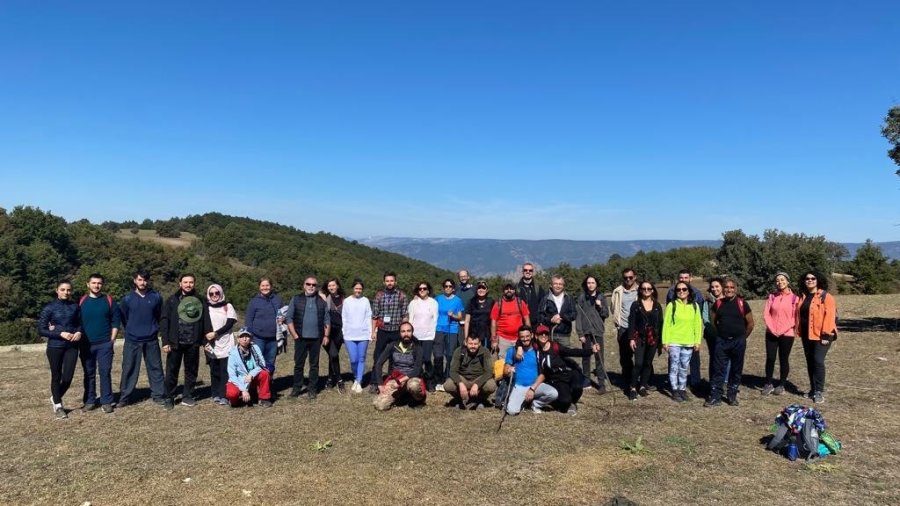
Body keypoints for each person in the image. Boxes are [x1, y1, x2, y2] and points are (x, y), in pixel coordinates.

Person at [160, 274, 213, 409]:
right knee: (172, 371)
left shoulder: (200, 300)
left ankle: (187, 396)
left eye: (191, 282)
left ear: (194, 284)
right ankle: (169, 398)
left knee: (191, 371)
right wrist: (165, 341)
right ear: (180, 283)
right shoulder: (172, 300)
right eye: (185, 282)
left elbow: (206, 320)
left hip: (193, 342)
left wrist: (205, 340)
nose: (188, 285)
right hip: (175, 342)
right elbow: (165, 321)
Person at [117, 269, 166, 408]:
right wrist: (132, 329)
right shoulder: (127, 299)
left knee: (155, 368)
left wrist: (154, 329)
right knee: (129, 368)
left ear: (148, 281)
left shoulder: (156, 297)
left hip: (151, 339)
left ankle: (158, 395)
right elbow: (124, 317)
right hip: (132, 340)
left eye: (144, 280)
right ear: (135, 281)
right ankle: (125, 397)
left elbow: (159, 315)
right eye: (139, 280)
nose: (142, 282)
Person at [705, 280, 753, 407]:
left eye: (732, 287)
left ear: (735, 289)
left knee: (736, 369)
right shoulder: (718, 303)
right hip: (722, 341)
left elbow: (750, 324)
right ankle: (716, 396)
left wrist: (742, 337)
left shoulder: (742, 304)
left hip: (738, 341)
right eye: (726, 287)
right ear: (723, 289)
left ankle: (732, 395)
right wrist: (721, 334)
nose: (729, 289)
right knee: (718, 369)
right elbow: (713, 321)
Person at [39, 281, 82, 419]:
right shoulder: (49, 308)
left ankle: (55, 397)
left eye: (68, 290)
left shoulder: (75, 307)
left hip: (72, 347)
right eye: (62, 289)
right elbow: (41, 330)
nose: (66, 292)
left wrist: (79, 332)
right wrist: (60, 334)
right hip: (55, 347)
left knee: (68, 378)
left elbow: (80, 324)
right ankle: (58, 405)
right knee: (56, 376)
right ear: (56, 290)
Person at [533, 324, 599, 415]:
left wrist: (591, 351)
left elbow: (572, 352)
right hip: (556, 379)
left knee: (577, 387)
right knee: (564, 402)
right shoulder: (536, 349)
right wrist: (519, 348)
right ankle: (565, 402)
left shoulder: (555, 346)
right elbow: (522, 341)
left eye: (546, 334)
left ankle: (572, 402)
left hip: (568, 373)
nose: (544, 336)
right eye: (541, 334)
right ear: (536, 336)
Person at [77, 273, 120, 414]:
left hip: (105, 344)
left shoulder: (109, 300)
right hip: (86, 345)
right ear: (87, 284)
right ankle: (90, 401)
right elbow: (72, 319)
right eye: (94, 283)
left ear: (102, 285)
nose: (96, 285)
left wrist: (111, 340)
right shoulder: (81, 301)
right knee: (89, 373)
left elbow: (116, 321)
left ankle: (106, 401)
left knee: (105, 372)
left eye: (99, 283)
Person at [796, 270, 837, 404]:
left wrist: (825, 335)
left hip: (822, 335)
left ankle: (819, 391)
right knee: (810, 361)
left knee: (818, 361)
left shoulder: (826, 297)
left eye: (813, 278)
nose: (810, 280)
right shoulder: (802, 296)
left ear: (818, 280)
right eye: (807, 278)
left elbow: (830, 317)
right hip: (806, 334)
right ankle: (813, 389)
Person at [287, 276, 331, 400]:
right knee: (298, 365)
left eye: (314, 285)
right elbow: (289, 318)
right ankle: (296, 388)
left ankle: (312, 389)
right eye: (308, 284)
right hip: (300, 338)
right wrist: (295, 335)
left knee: (314, 365)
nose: (311, 286)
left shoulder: (321, 302)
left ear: (316, 287)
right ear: (304, 285)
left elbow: (327, 320)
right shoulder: (296, 299)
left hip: (316, 338)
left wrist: (326, 335)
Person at [665, 269, 706, 391]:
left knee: (694, 359)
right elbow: (669, 314)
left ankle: (695, 381)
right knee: (674, 361)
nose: (683, 280)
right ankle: (673, 384)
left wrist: (696, 337)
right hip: (675, 336)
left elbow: (698, 316)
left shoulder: (697, 293)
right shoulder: (671, 292)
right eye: (681, 278)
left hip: (690, 335)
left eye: (686, 277)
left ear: (691, 278)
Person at [369, 271, 409, 393]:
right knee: (378, 357)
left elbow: (405, 315)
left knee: (395, 357)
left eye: (392, 281)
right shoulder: (379, 295)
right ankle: (375, 382)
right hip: (382, 331)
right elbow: (375, 316)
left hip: (396, 331)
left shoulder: (402, 296)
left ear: (395, 282)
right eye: (387, 281)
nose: (389, 283)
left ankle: (391, 381)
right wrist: (373, 331)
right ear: (384, 282)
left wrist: (404, 331)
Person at [503, 326, 556, 415]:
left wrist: (532, 389)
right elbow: (505, 370)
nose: (525, 339)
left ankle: (535, 404)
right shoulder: (512, 351)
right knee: (512, 411)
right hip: (519, 387)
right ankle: (524, 402)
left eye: (527, 336)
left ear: (532, 335)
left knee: (553, 393)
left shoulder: (538, 351)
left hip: (535, 386)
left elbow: (544, 373)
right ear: (519, 338)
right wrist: (508, 370)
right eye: (522, 337)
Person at [373, 322, 426, 411]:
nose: (406, 334)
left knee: (413, 385)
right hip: (395, 379)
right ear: (399, 333)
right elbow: (378, 364)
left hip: (411, 379)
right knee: (380, 405)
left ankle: (418, 400)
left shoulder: (417, 347)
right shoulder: (392, 345)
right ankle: (401, 395)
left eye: (408, 331)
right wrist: (380, 384)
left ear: (412, 332)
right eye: (403, 331)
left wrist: (400, 381)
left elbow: (417, 370)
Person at [762, 272, 798, 396]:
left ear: (787, 281)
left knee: (784, 359)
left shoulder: (794, 298)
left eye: (782, 280)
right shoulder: (772, 297)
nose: (780, 282)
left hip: (787, 334)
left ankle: (782, 385)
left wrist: (782, 330)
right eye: (777, 280)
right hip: (771, 333)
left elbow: (795, 318)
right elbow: (766, 314)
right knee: (770, 358)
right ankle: (768, 383)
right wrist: (772, 329)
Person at [626, 281, 663, 401]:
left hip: (653, 338)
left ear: (652, 290)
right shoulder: (635, 305)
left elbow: (660, 323)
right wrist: (631, 338)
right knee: (638, 363)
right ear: (640, 290)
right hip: (639, 337)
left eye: (649, 288)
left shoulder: (657, 305)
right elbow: (631, 322)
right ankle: (632, 387)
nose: (646, 290)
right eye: (644, 288)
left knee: (648, 363)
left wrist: (661, 341)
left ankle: (642, 385)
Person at [574, 275, 610, 391]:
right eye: (588, 283)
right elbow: (578, 316)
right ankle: (586, 380)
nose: (590, 285)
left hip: (597, 331)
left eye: (593, 283)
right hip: (586, 331)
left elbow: (606, 314)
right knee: (586, 356)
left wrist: (600, 306)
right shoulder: (582, 298)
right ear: (586, 284)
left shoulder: (601, 297)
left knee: (599, 356)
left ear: (596, 284)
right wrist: (580, 333)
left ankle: (601, 382)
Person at [204, 283, 237, 406]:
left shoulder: (227, 306)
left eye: (217, 292)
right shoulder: (206, 307)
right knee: (214, 370)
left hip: (226, 342)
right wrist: (206, 340)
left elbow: (230, 323)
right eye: (211, 293)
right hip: (211, 344)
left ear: (221, 293)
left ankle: (224, 395)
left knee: (225, 370)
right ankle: (215, 393)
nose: (214, 295)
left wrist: (216, 333)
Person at [244, 277, 285, 375]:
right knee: (257, 363)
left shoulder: (278, 300)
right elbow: (248, 320)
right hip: (258, 338)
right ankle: (257, 383)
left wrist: (283, 318)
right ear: (259, 287)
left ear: (271, 286)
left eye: (267, 285)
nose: (265, 288)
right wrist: (250, 337)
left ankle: (268, 383)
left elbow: (284, 313)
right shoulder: (254, 302)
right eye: (262, 285)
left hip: (273, 339)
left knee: (270, 364)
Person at [444, 334, 496, 409]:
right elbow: (452, 371)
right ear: (466, 343)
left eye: (475, 344)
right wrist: (460, 383)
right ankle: (460, 399)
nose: (473, 346)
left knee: (491, 385)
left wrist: (477, 384)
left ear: (479, 343)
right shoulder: (459, 351)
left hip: (478, 377)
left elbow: (489, 372)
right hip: (463, 378)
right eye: (470, 343)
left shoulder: (485, 352)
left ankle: (479, 399)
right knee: (448, 385)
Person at [225, 328, 272, 408]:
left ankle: (264, 398)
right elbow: (232, 375)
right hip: (239, 379)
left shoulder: (255, 348)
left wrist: (251, 374)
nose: (245, 339)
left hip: (252, 376)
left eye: (247, 336)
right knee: (232, 393)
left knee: (264, 373)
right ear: (238, 339)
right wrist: (243, 390)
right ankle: (234, 401)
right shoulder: (233, 353)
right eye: (242, 337)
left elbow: (262, 364)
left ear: (250, 339)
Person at [342, 279, 372, 393]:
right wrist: (344, 331)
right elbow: (344, 317)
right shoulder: (347, 301)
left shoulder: (365, 301)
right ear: (353, 289)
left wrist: (370, 332)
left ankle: (358, 381)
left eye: (360, 289)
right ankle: (355, 376)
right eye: (356, 288)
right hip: (349, 335)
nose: (358, 290)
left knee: (362, 358)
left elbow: (369, 316)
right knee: (353, 359)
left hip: (363, 335)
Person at [611, 268, 639, 387]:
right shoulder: (617, 291)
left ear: (635, 277)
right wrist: (617, 322)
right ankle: (628, 379)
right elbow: (613, 307)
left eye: (630, 277)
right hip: (623, 327)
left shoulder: (641, 290)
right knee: (625, 356)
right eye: (625, 277)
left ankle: (644, 380)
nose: (628, 279)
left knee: (640, 355)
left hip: (638, 328)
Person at [435, 279, 465, 389]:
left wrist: (453, 316)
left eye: (450, 286)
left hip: (452, 330)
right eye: (446, 286)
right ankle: (438, 379)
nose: (448, 288)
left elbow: (460, 317)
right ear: (443, 287)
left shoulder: (458, 300)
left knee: (450, 355)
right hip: (439, 329)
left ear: (453, 288)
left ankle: (448, 378)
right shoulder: (438, 298)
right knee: (438, 355)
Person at [408, 281, 438, 390]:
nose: (422, 290)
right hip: (415, 336)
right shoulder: (413, 303)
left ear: (428, 290)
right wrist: (410, 334)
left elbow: (435, 319)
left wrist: (433, 334)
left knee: (427, 359)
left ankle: (429, 381)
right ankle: (418, 381)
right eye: (420, 289)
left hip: (428, 336)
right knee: (417, 360)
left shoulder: (433, 302)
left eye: (424, 288)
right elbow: (410, 319)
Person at [490, 282, 531, 358]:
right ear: (503, 291)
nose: (509, 290)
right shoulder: (498, 304)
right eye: (506, 289)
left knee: (520, 359)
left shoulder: (520, 302)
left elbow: (527, 319)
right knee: (502, 361)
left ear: (514, 290)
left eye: (511, 288)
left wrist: (528, 335)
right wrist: (494, 340)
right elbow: (493, 323)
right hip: (503, 339)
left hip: (519, 338)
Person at [321, 278, 346, 393]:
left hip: (339, 332)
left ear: (337, 286)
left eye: (333, 285)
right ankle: (339, 380)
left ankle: (330, 379)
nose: (331, 287)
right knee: (334, 354)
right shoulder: (324, 298)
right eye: (329, 286)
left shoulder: (344, 299)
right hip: (326, 332)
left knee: (333, 356)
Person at [539, 276, 577, 346]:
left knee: (565, 353)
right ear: (551, 285)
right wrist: (551, 320)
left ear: (563, 286)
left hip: (564, 335)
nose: (558, 286)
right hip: (550, 335)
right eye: (555, 283)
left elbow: (574, 315)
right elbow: (540, 317)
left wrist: (561, 315)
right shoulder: (545, 299)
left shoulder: (569, 298)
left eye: (560, 284)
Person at [704, 277, 726, 389]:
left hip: (726, 335)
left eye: (717, 286)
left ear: (722, 287)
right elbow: (705, 318)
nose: (714, 289)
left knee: (726, 359)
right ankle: (713, 383)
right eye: (712, 287)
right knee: (714, 358)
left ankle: (725, 382)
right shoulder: (707, 301)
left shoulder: (728, 299)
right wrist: (714, 331)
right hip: (712, 335)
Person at [464, 281, 494, 349]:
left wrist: (494, 336)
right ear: (476, 290)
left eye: (483, 288)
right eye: (479, 288)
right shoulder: (471, 301)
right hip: (474, 332)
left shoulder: (491, 301)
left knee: (486, 352)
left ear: (487, 290)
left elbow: (494, 320)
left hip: (487, 333)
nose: (481, 290)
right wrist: (466, 337)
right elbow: (467, 321)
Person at [456, 270, 475, 346]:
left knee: (472, 344)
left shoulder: (474, 289)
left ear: (468, 277)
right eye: (461, 276)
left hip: (472, 323)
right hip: (458, 323)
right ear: (459, 278)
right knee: (461, 345)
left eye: (464, 276)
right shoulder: (456, 290)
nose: (463, 278)